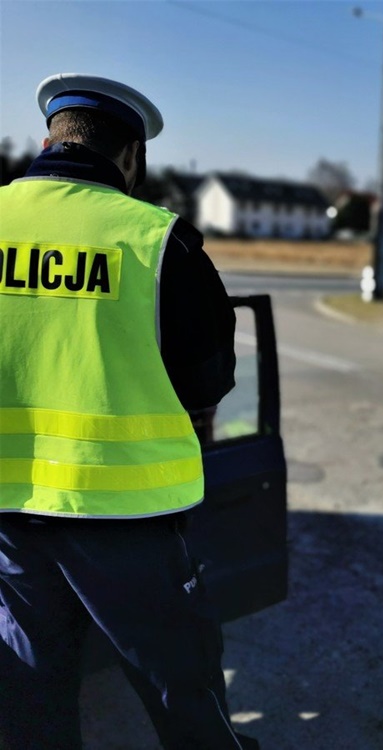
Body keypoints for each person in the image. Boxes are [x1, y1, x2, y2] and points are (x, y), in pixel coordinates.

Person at [0, 74, 253, 749]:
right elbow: (211, 380)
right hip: (126, 516)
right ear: (131, 155)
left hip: (8, 512)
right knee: (179, 683)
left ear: (46, 140)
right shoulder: (159, 241)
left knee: (31, 683)